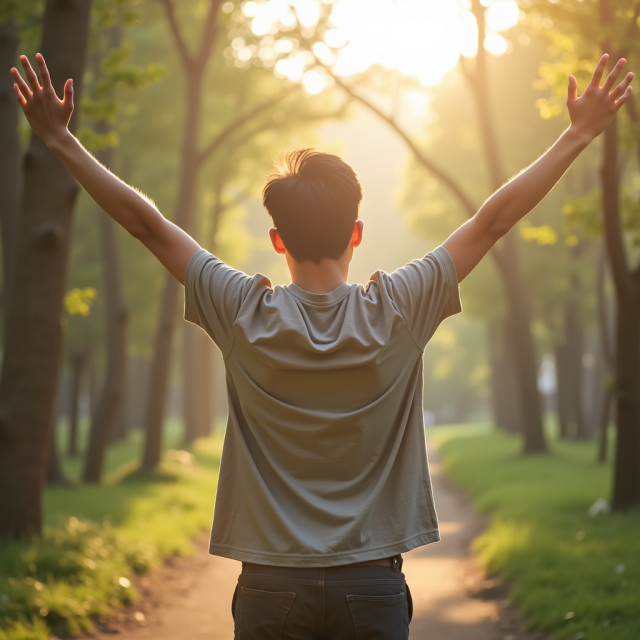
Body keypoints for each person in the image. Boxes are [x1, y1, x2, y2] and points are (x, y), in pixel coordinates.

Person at [11, 53, 632, 639]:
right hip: (373, 587)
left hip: (270, 588)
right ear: (357, 233)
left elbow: (147, 225)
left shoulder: (241, 311)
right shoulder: (399, 309)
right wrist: (576, 136)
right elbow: (492, 221)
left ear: (277, 240)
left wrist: (62, 139)